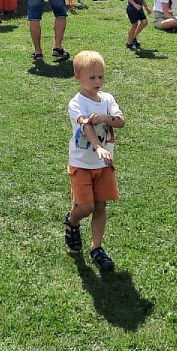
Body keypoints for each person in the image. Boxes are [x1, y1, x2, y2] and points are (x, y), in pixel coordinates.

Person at [63, 50, 125, 272]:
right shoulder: (76, 103)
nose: (97, 81)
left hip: (103, 165)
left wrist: (107, 118)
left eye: (100, 76)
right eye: (92, 77)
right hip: (82, 164)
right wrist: (98, 146)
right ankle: (72, 221)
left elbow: (120, 121)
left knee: (100, 206)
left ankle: (97, 248)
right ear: (78, 77)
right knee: (86, 207)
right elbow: (85, 125)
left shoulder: (107, 100)